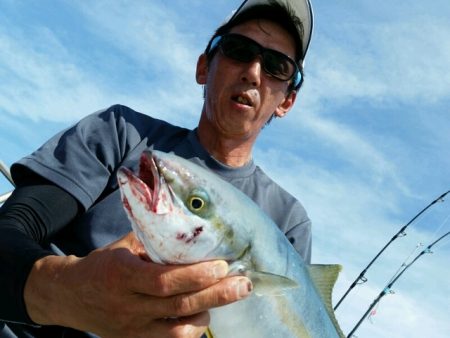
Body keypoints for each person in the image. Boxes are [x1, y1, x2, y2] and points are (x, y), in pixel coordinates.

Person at [0, 0, 313, 337]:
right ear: (204, 67)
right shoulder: (121, 133)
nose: (253, 72)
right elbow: (11, 229)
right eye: (239, 49)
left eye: (277, 66)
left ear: (286, 101)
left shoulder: (289, 221)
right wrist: (65, 294)